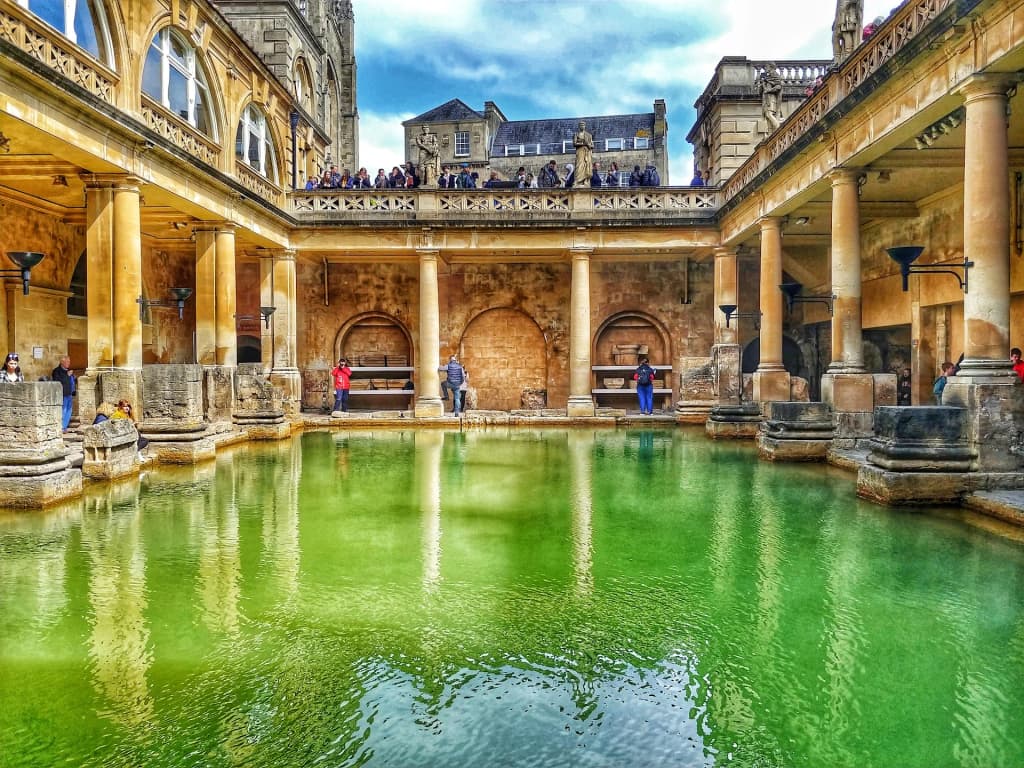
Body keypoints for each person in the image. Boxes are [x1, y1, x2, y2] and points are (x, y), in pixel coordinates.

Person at [52, 355, 76, 431]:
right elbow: (57, 382)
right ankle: (61, 427)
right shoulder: (56, 371)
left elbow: (72, 382)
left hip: (69, 394)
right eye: (67, 362)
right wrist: (67, 375)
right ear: (62, 362)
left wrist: (74, 378)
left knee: (69, 410)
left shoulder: (68, 371)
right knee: (63, 410)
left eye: (69, 362)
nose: (69, 363)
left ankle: (64, 427)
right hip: (63, 394)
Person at [572, 120, 594, 189]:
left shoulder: (589, 135)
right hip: (579, 152)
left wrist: (588, 145)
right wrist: (583, 143)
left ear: (585, 126)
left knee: (586, 166)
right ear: (579, 126)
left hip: (587, 153)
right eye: (581, 125)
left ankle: (585, 181)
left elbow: (592, 145)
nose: (582, 126)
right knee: (579, 166)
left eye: (583, 125)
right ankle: (577, 181)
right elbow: (574, 143)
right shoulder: (576, 134)